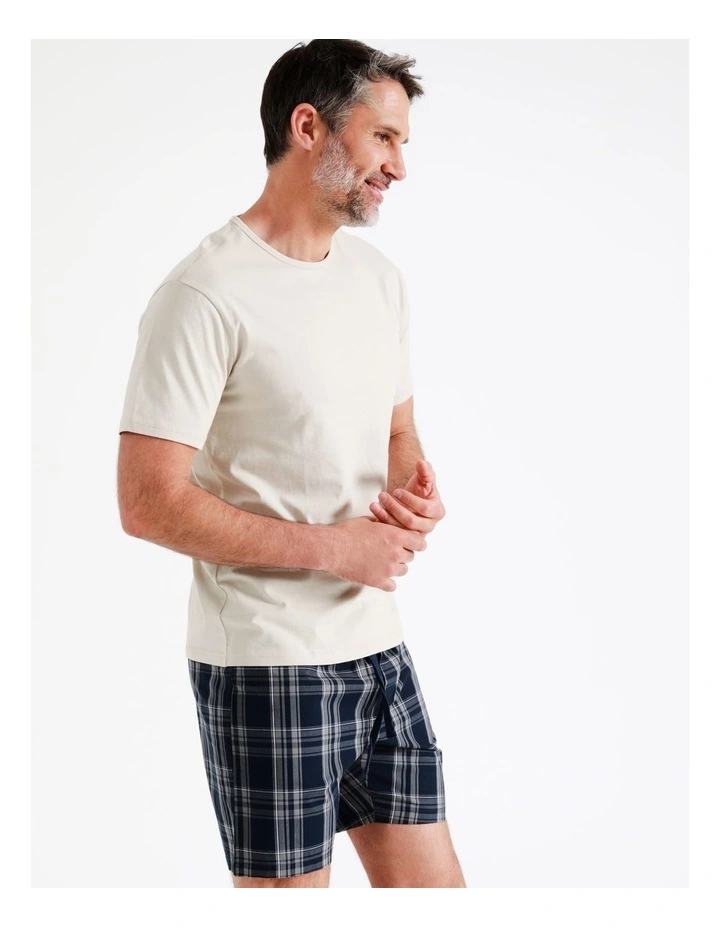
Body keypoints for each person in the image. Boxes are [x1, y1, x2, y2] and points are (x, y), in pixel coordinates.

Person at [116, 38, 465, 889]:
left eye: (403, 143)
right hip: (266, 664)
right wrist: (334, 548)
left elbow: (398, 430)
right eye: (383, 138)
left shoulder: (378, 280)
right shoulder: (204, 294)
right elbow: (146, 502)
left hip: (378, 647)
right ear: (309, 128)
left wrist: (414, 490)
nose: (399, 167)